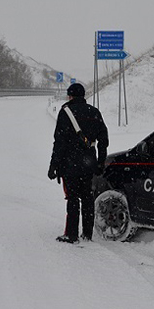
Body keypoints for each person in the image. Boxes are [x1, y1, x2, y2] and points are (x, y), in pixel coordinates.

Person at [48, 83, 109, 243]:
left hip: (70, 163)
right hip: (89, 162)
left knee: (72, 197)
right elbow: (104, 139)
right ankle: (87, 233)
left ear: (70, 96)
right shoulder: (94, 112)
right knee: (88, 196)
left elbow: (59, 142)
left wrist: (53, 165)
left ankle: (71, 234)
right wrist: (101, 161)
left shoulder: (66, 112)